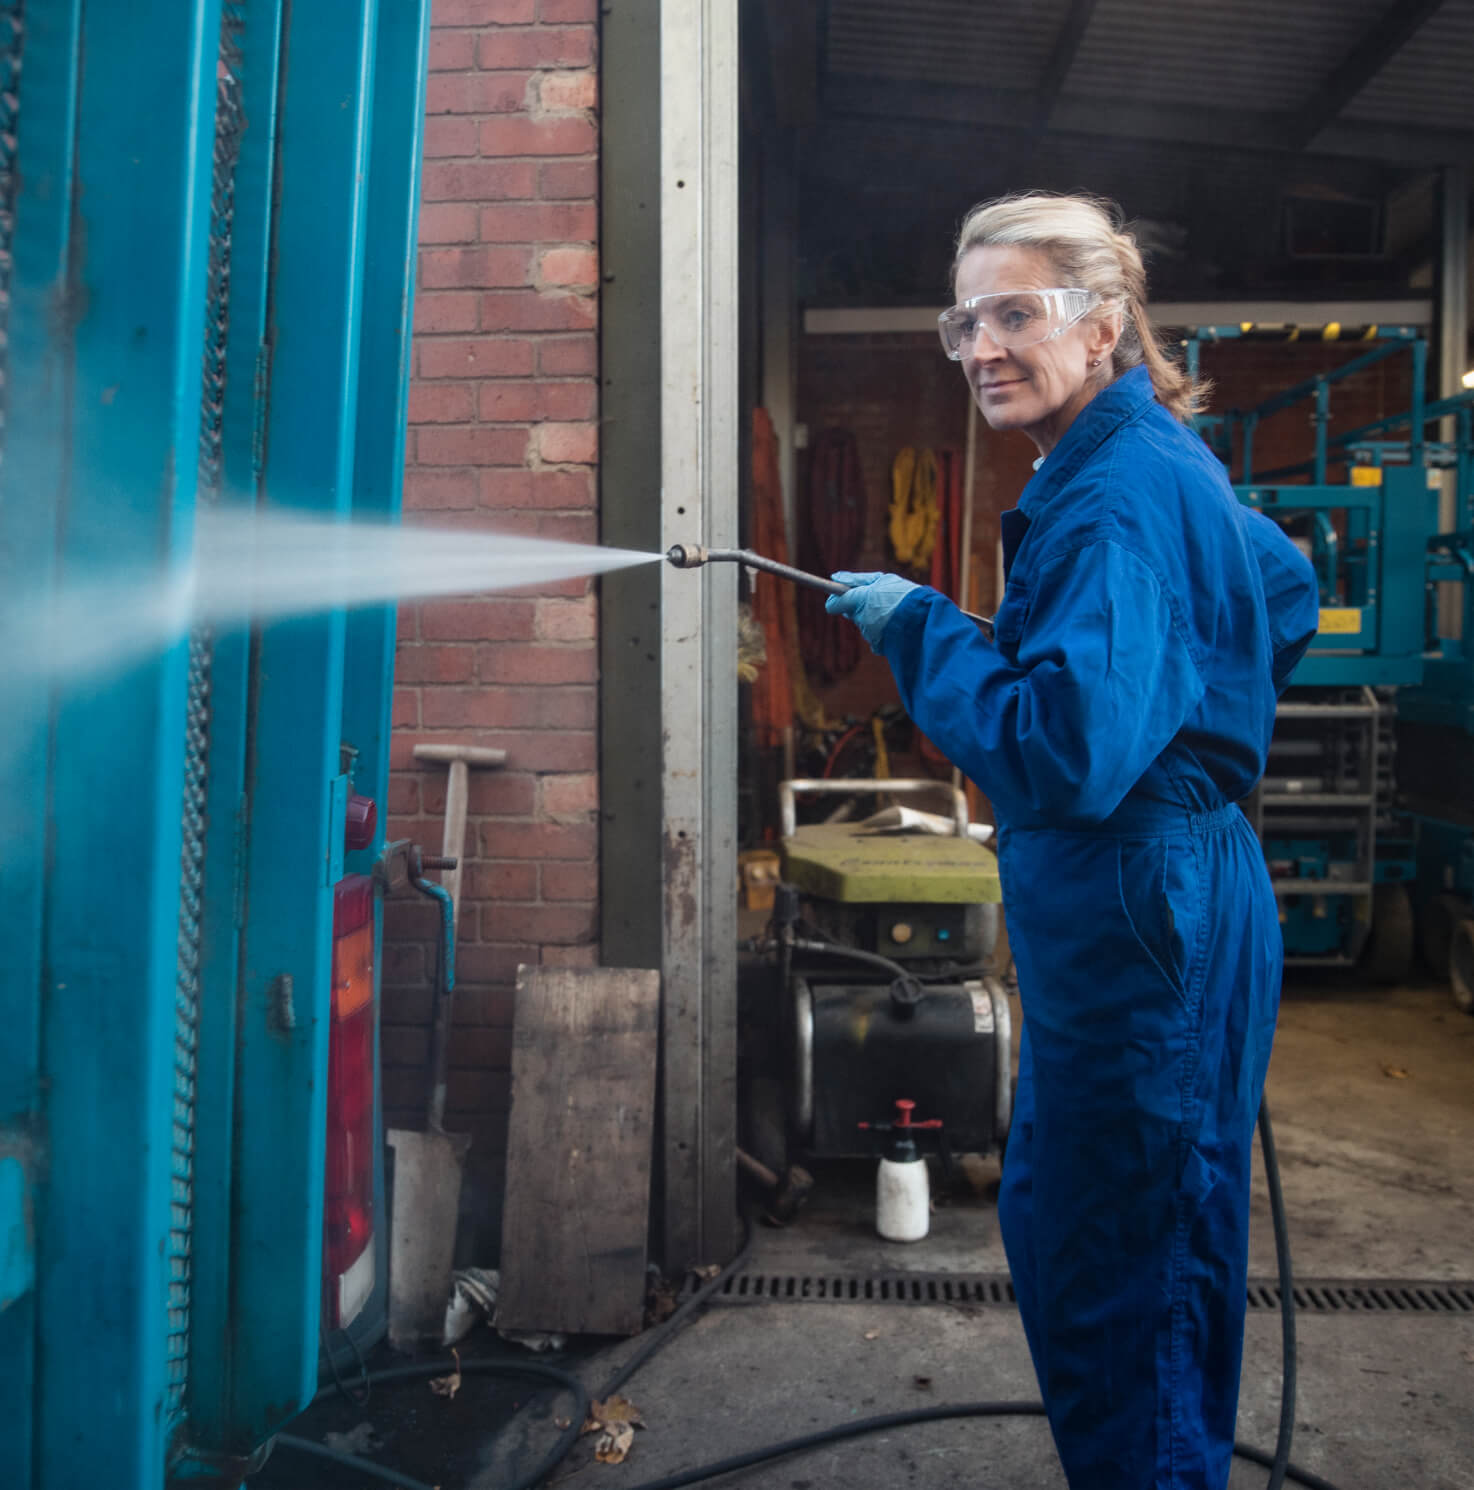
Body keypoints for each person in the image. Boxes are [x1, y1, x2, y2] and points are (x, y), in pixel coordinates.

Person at [826, 193, 1319, 1490]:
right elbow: (1280, 585)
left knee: (1126, 1269)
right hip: (1153, 901)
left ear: (1101, 325)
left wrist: (924, 631)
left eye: (1015, 313)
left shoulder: (1112, 499)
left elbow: (1056, 750)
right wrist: (1193, 693)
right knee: (1086, 1221)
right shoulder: (1136, 462)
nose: (982, 344)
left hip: (1139, 913)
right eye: (964, 318)